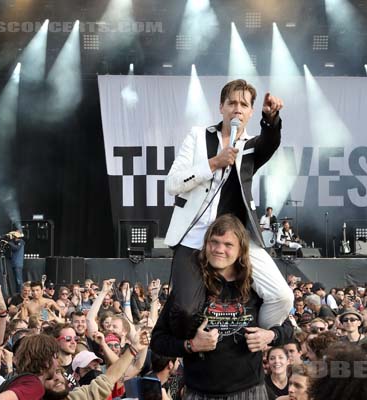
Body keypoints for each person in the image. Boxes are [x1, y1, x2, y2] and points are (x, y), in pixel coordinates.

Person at [163, 79, 292, 337]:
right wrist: (213, 163)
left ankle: (256, 341)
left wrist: (272, 118)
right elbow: (173, 183)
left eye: (244, 104)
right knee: (186, 310)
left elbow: (270, 141)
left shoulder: (251, 147)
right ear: (221, 106)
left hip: (235, 239)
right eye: (232, 102)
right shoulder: (198, 136)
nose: (237, 108)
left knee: (282, 296)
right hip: (194, 237)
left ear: (251, 112)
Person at [152, 214, 293, 399]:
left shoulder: (256, 287)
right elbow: (158, 341)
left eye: (228, 244)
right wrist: (191, 345)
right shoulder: (191, 289)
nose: (219, 249)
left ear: (241, 249)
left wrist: (270, 335)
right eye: (214, 242)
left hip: (249, 392)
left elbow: (289, 327)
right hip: (200, 393)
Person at [6, 229, 25, 294]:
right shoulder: (14, 243)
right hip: (14, 264)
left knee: (19, 280)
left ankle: (21, 293)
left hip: (18, 264)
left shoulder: (21, 241)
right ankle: (18, 293)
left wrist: (9, 242)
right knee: (16, 280)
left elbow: (16, 248)